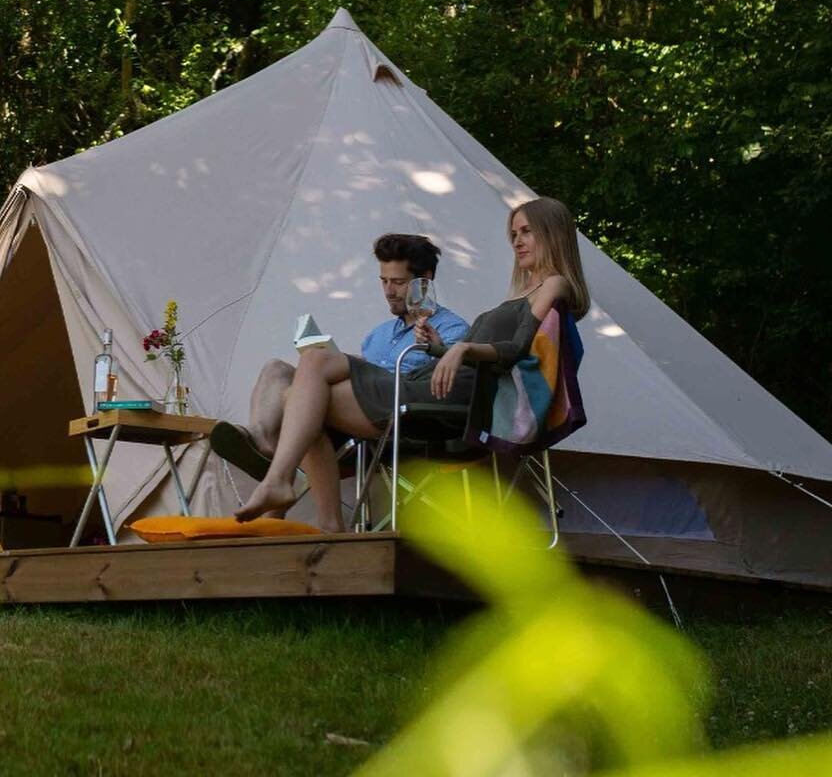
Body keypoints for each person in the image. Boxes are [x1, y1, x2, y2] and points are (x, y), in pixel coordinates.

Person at [224, 196, 591, 529]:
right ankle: (322, 520)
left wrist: (461, 350)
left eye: (527, 231)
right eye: (514, 233)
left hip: (448, 401)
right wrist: (438, 348)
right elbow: (491, 348)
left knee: (312, 372)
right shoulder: (522, 293)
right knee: (300, 394)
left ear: (552, 233)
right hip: (429, 380)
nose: (517, 241)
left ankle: (276, 478)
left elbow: (515, 349)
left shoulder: (554, 285)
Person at [210, 234, 468, 514]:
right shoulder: (377, 335)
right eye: (383, 281)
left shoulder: (452, 329)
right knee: (277, 369)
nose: (389, 291)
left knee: (309, 376)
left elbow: (443, 390)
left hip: (404, 421)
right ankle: (263, 441)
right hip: (355, 419)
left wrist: (435, 348)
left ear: (424, 280)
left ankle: (280, 477)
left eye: (398, 282)